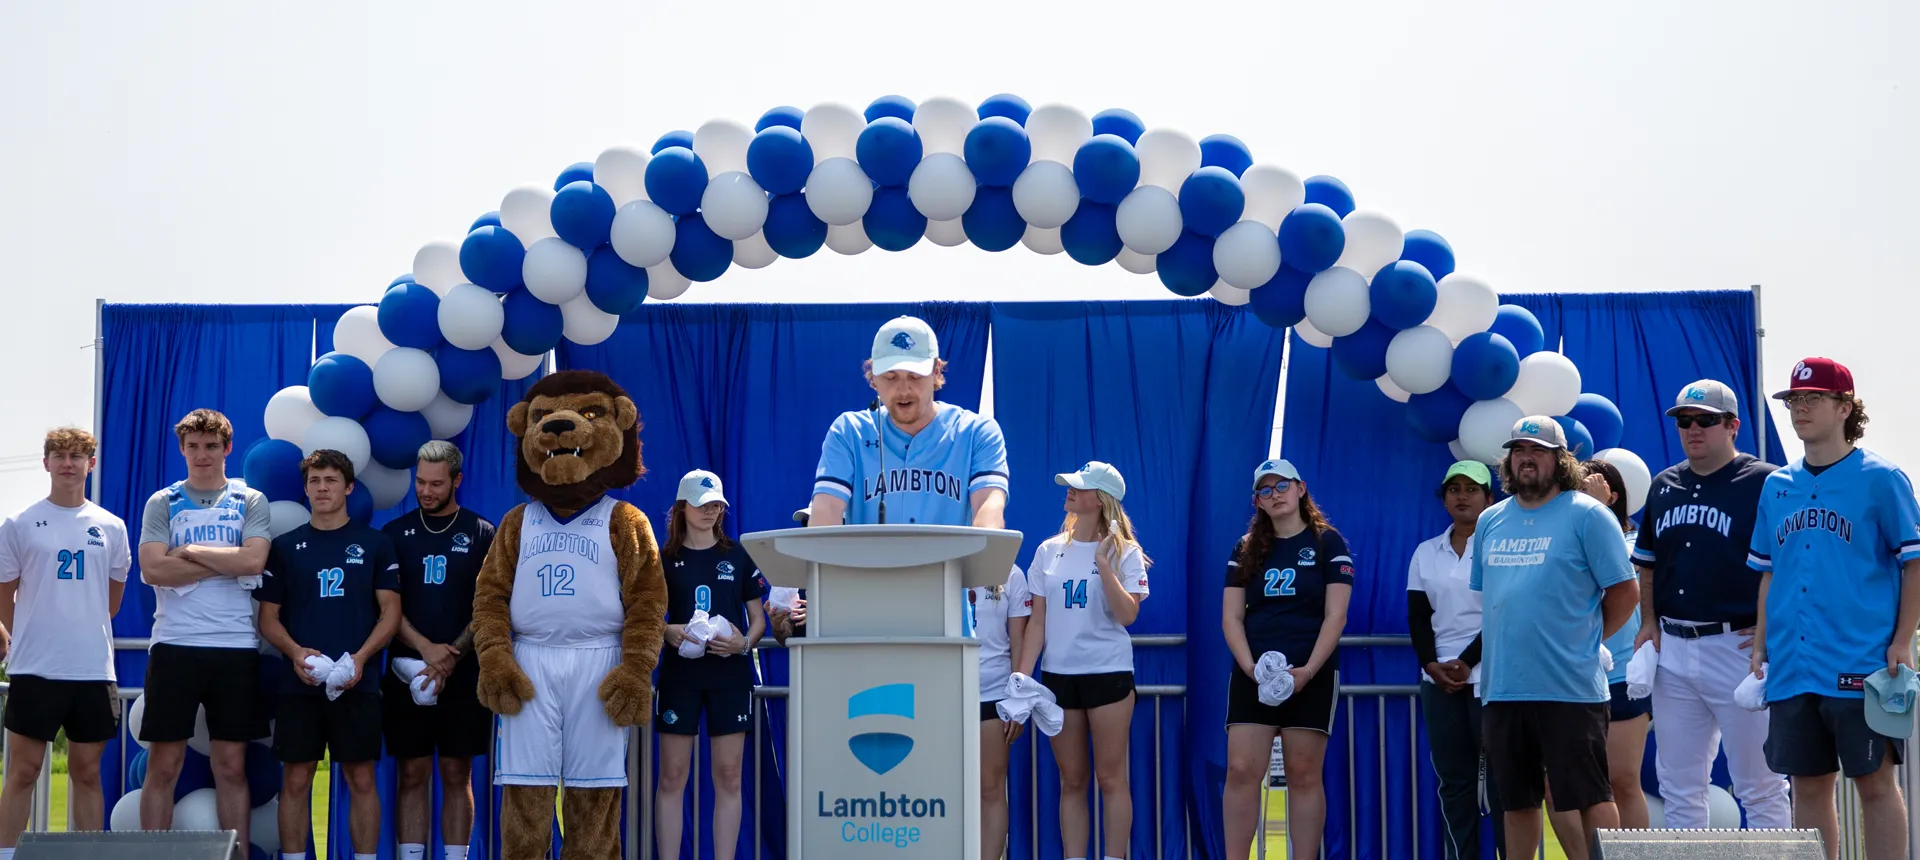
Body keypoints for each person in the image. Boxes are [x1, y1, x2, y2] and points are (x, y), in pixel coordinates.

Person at [1749, 357, 1920, 860]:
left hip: (1861, 660)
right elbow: (1769, 572)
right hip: (1793, 664)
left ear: (1845, 407)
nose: (1800, 409)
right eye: (1794, 400)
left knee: (1874, 784)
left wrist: (1902, 638)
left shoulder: (1881, 478)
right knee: (1807, 787)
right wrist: (1760, 645)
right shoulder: (1777, 484)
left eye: (1813, 399)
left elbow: (1914, 563)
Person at [1472, 417, 1639, 860]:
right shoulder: (1490, 520)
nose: (1526, 458)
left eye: (1538, 450)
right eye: (1519, 450)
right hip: (1503, 688)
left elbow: (1625, 590)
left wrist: (1587, 637)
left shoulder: (1588, 515)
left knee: (1590, 797)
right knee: (1517, 802)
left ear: (1560, 460)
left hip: (1569, 688)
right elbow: (1489, 598)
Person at [1631, 380, 1790, 831]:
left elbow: (1790, 564)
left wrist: (1767, 629)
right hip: (1674, 649)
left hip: (1738, 648)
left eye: (1705, 419)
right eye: (1684, 420)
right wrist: (1648, 622)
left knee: (1759, 785)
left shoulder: (1765, 482)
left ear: (1732, 425)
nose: (1693, 428)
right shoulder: (1664, 485)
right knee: (1678, 786)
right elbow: (1649, 566)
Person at [256, 449, 402, 860]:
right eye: (315, 481)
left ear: (348, 487)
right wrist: (295, 652)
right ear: (305, 489)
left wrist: (361, 658)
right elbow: (267, 619)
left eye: (331, 480)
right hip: (299, 684)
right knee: (297, 780)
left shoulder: (375, 543)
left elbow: (391, 612)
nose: (322, 488)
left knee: (360, 778)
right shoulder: (285, 547)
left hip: (359, 682)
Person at [136, 408, 271, 847]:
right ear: (182, 448)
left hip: (233, 645)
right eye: (193, 446)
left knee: (231, 766)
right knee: (163, 765)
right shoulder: (164, 501)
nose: (202, 455)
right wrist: (223, 560)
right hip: (175, 643)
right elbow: (154, 570)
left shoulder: (249, 499)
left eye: (211, 446)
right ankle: (151, 859)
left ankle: (238, 857)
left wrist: (190, 551)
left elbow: (253, 561)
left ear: (227, 448)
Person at [0, 428, 131, 859]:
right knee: (21, 773)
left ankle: (88, 855)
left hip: (92, 669)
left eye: (78, 456)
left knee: (87, 773)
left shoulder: (111, 526)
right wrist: (33, 637)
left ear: (91, 464)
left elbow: (111, 604)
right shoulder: (19, 523)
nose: (68, 464)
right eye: (59, 456)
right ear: (46, 464)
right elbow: (5, 597)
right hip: (35, 669)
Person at [1222, 459, 1353, 860]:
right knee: (1242, 770)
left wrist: (1308, 671)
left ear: (1300, 489)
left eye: (1282, 486)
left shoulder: (1327, 542)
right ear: (1256, 501)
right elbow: (1231, 616)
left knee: (1302, 772)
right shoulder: (1245, 548)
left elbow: (1336, 615)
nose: (1275, 495)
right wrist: (1250, 668)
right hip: (1254, 674)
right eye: (1265, 490)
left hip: (1310, 673)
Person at [1017, 461, 1149, 860]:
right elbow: (1037, 621)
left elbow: (1128, 615)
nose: (1070, 491)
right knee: (1071, 781)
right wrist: (1022, 677)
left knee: (1111, 779)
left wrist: (1105, 566)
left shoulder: (1126, 553)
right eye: (1071, 486)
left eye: (1080, 487)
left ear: (1101, 499)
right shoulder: (1048, 550)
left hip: (1108, 676)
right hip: (1059, 679)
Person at [380, 441, 496, 860]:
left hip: (463, 674)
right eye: (420, 482)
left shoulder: (483, 533)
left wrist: (451, 656)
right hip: (406, 668)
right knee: (411, 772)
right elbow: (386, 608)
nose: (426, 491)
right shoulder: (394, 535)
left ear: (457, 481)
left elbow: (491, 606)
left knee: (455, 771)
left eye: (436, 484)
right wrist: (427, 649)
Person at [806, 315, 1009, 530]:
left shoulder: (976, 432)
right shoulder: (849, 432)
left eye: (915, 376)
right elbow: (825, 510)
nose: (903, 390)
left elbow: (989, 512)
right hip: (867, 565)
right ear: (873, 376)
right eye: (891, 377)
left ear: (936, 371)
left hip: (952, 564)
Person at [653, 470, 765, 860]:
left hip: (730, 677)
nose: (711, 511)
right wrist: (669, 631)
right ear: (682, 508)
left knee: (729, 776)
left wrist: (743, 644)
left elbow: (758, 619)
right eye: (703, 505)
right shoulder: (663, 560)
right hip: (679, 677)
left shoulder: (737, 555)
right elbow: (647, 617)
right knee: (671, 776)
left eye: (717, 505)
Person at [1543, 458, 1652, 851]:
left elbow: (1623, 582)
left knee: (1621, 780)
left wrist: (1598, 511)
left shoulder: (1637, 542)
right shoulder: (1559, 535)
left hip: (1621, 675)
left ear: (1614, 494)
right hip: (1567, 676)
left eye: (1594, 486)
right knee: (1558, 787)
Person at [1404, 460, 1502, 860]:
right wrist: (1432, 665)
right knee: (1454, 782)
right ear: (1444, 499)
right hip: (1440, 680)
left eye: (1472, 489)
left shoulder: (1500, 546)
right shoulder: (1426, 552)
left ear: (1489, 498)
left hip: (1493, 676)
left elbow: (1503, 610)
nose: (1462, 496)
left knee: (1501, 780)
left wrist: (1467, 661)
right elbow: (1417, 616)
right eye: (1454, 489)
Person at [972, 562, 1032, 860]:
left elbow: (1020, 641)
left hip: (993, 694)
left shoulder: (1011, 573)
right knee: (944, 788)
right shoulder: (940, 559)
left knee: (990, 788)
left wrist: (1017, 699)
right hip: (943, 694)